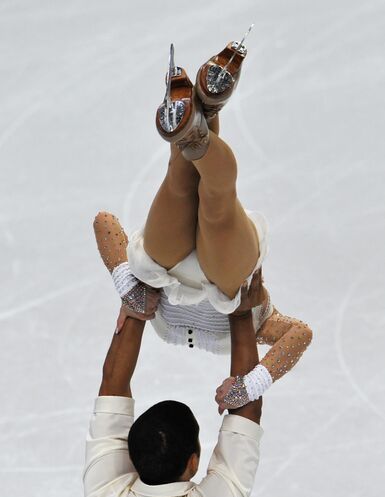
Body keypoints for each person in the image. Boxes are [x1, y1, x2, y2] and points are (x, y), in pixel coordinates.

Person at [93, 37, 312, 410]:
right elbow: (300, 334)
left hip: (168, 265)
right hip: (228, 276)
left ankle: (195, 124)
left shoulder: (153, 307)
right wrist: (250, 385)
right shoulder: (255, 319)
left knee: (181, 182)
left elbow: (104, 223)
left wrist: (128, 284)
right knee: (217, 202)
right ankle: (200, 117)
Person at [82, 273, 265, 497]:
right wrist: (240, 316)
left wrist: (138, 300)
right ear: (193, 463)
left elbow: (112, 383)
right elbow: (246, 415)